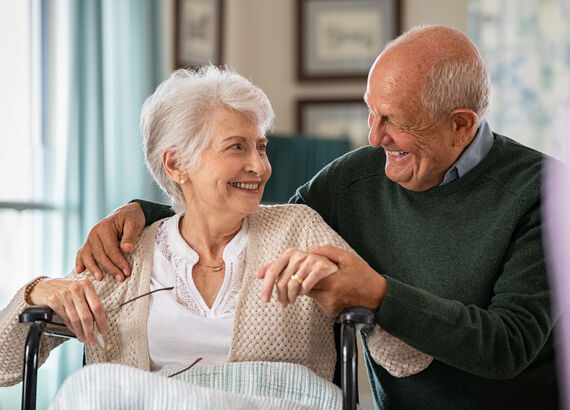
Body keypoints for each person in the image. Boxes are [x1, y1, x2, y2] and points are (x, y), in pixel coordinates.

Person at [76, 26, 560, 409]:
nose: (374, 138)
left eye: (395, 121)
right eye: (371, 112)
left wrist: (377, 294)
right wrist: (147, 216)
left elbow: (509, 345)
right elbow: (263, 223)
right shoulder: (356, 179)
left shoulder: (545, 192)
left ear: (461, 124)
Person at [0, 66, 430, 392]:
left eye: (261, 147)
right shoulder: (126, 254)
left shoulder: (297, 230)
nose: (259, 166)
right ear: (176, 163)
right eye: (237, 147)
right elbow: (4, 366)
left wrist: (363, 295)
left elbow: (407, 358)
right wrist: (37, 291)